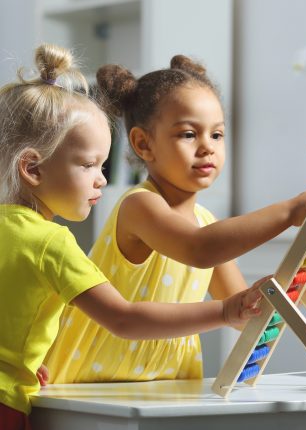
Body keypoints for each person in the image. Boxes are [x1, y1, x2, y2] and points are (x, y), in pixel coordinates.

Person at [44, 55, 306, 385]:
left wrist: (291, 286)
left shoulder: (204, 221)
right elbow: (199, 248)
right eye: (189, 134)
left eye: (217, 135)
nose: (207, 147)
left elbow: (244, 316)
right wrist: (289, 211)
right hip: (88, 385)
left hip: (167, 387)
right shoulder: (139, 206)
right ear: (142, 144)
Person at [0, 45, 266, 430]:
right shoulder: (53, 244)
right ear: (33, 168)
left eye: (102, 165)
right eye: (88, 164)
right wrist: (224, 311)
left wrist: (26, 358)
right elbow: (124, 319)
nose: (102, 179)